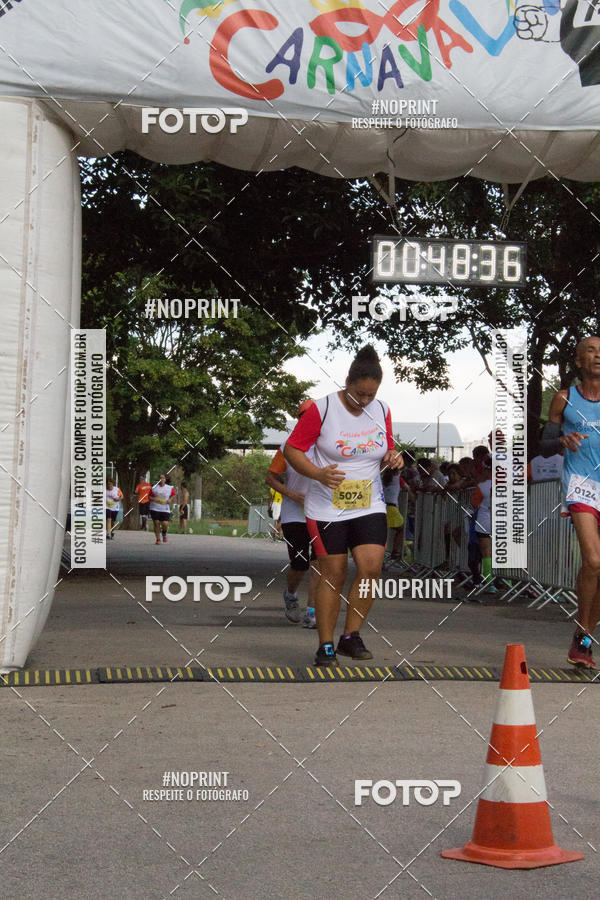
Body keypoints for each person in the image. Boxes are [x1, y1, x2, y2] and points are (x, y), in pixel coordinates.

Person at [284, 346, 403, 666]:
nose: (364, 401)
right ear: (347, 382)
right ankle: (325, 644)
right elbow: (292, 450)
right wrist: (318, 474)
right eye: (359, 394)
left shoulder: (382, 410)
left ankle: (351, 636)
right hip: (326, 507)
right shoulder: (321, 409)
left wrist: (394, 457)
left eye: (370, 395)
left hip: (368, 503)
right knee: (332, 574)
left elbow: (387, 449)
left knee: (371, 568)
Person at [541, 335, 600, 668]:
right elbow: (544, 443)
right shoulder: (565, 398)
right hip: (581, 484)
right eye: (590, 352)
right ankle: (583, 636)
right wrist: (562, 438)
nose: (597, 356)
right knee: (593, 560)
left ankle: (584, 637)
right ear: (578, 361)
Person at [265, 400, 319, 627]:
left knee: (320, 563)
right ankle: (290, 595)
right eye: (304, 416)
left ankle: (313, 612)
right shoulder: (288, 445)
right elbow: (270, 478)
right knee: (300, 564)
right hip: (294, 513)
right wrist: (293, 495)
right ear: (299, 419)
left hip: (321, 512)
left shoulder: (329, 443)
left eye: (313, 415)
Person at [149, 473, 176, 544]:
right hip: (154, 507)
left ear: (165, 479)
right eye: (160, 478)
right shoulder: (154, 487)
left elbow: (173, 495)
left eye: (163, 478)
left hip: (165, 508)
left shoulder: (169, 488)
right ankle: (158, 539)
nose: (161, 479)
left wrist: (170, 500)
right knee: (156, 523)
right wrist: (154, 498)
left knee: (165, 524)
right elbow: (149, 497)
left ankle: (164, 533)